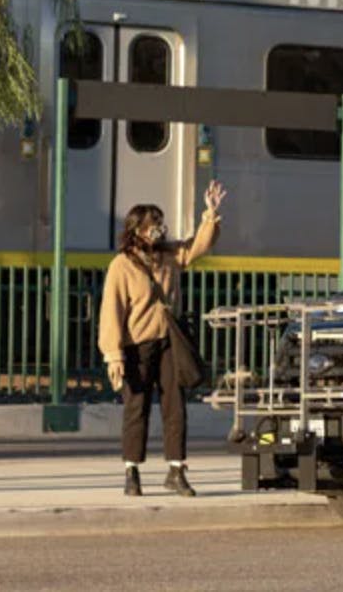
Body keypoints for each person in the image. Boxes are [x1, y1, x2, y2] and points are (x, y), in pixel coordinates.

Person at [99, 181, 226, 497]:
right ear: (137, 230)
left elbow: (199, 246)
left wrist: (210, 215)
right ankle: (132, 471)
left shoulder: (170, 257)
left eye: (159, 223)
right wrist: (113, 355)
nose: (158, 229)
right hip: (136, 346)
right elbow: (111, 311)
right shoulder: (122, 265)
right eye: (152, 224)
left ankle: (176, 469)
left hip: (169, 341)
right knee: (136, 408)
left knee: (175, 407)